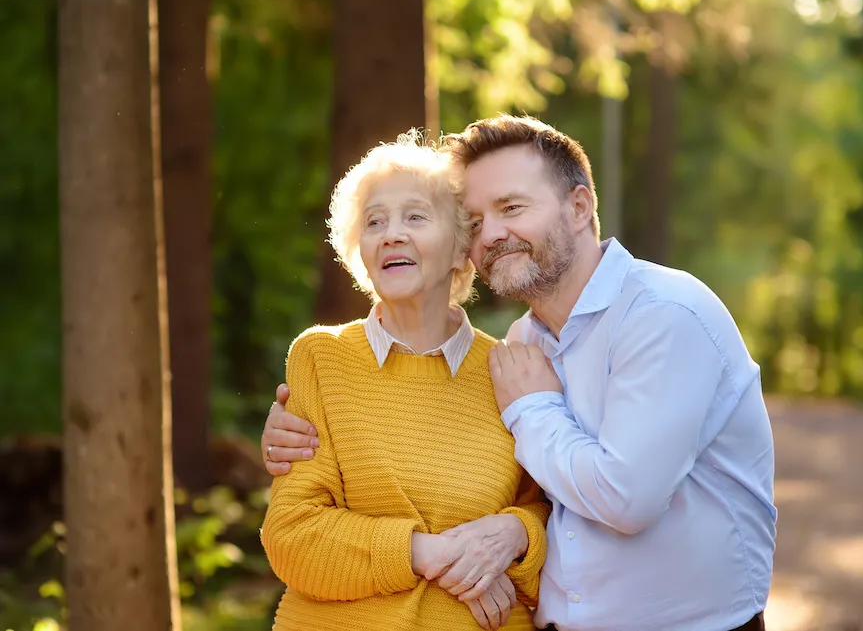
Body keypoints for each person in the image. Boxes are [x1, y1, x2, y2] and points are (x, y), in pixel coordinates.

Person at [262, 116, 777, 631]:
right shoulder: (523, 346)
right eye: (478, 219)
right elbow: (556, 505)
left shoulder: (661, 314)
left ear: (580, 207)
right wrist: (448, 548)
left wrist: (516, 528)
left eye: (511, 208)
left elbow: (623, 498)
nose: (494, 233)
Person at [259, 131, 550, 631]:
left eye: (415, 216)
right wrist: (425, 553)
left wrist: (515, 535)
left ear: (463, 249)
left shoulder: (510, 368)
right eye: (375, 222)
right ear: (362, 251)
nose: (391, 233)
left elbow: (553, 515)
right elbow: (292, 536)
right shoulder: (320, 360)